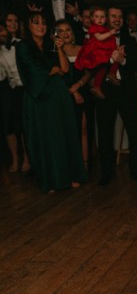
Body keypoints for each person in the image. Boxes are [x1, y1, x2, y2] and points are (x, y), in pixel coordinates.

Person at [15, 13, 87, 193]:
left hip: (59, 96)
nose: (41, 26)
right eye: (36, 23)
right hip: (40, 98)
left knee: (64, 135)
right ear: (28, 26)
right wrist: (52, 69)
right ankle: (50, 180)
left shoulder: (50, 44)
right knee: (46, 139)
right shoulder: (23, 46)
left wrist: (60, 49)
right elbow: (32, 71)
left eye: (44, 22)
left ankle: (69, 176)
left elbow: (64, 69)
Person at [95, 7, 137, 185]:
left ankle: (135, 170)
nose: (117, 19)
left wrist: (122, 60)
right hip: (105, 91)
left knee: (133, 131)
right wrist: (110, 60)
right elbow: (92, 64)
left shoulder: (129, 40)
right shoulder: (97, 39)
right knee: (105, 132)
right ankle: (106, 172)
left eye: (120, 16)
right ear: (107, 18)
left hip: (126, 90)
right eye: (113, 16)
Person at [57, 20, 95, 171]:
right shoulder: (54, 53)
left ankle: (84, 165)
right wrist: (72, 91)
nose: (65, 33)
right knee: (67, 130)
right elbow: (57, 77)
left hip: (83, 91)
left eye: (68, 30)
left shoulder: (82, 49)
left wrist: (78, 86)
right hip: (63, 95)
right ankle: (69, 165)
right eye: (61, 31)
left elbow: (89, 72)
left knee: (84, 129)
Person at [0, 14, 31, 173]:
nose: (12, 24)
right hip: (7, 91)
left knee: (24, 125)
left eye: (15, 21)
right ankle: (15, 158)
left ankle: (27, 158)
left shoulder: (22, 44)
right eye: (8, 21)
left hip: (23, 89)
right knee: (9, 126)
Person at [74, 6, 120, 99]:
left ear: (106, 18)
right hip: (97, 52)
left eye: (102, 17)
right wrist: (110, 33)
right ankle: (97, 85)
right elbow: (99, 38)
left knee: (113, 61)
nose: (99, 19)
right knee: (102, 67)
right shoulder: (93, 27)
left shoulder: (105, 28)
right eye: (97, 16)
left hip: (105, 50)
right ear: (92, 18)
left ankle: (110, 75)